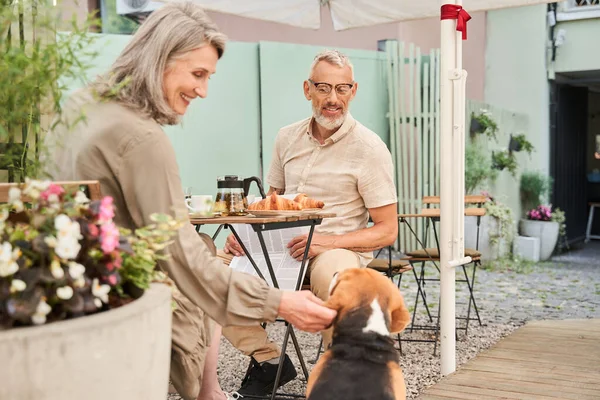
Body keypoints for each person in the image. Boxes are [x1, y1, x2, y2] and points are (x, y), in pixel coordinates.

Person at [44, 3, 336, 400]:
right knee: (202, 256)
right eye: (198, 74)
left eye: (208, 77)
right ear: (159, 59)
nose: (203, 90)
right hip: (123, 308)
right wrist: (279, 302)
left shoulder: (80, 106)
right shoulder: (142, 138)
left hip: (62, 290)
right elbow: (180, 257)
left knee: (207, 248)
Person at [222, 49, 399, 396]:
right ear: (307, 89)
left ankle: (345, 382)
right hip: (281, 247)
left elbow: (387, 229)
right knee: (206, 272)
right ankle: (269, 360)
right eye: (323, 88)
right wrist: (246, 236)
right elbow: (269, 205)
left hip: (335, 249)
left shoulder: (370, 149)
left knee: (341, 284)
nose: (333, 99)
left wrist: (326, 243)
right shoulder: (286, 138)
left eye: (342, 89)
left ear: (353, 90)